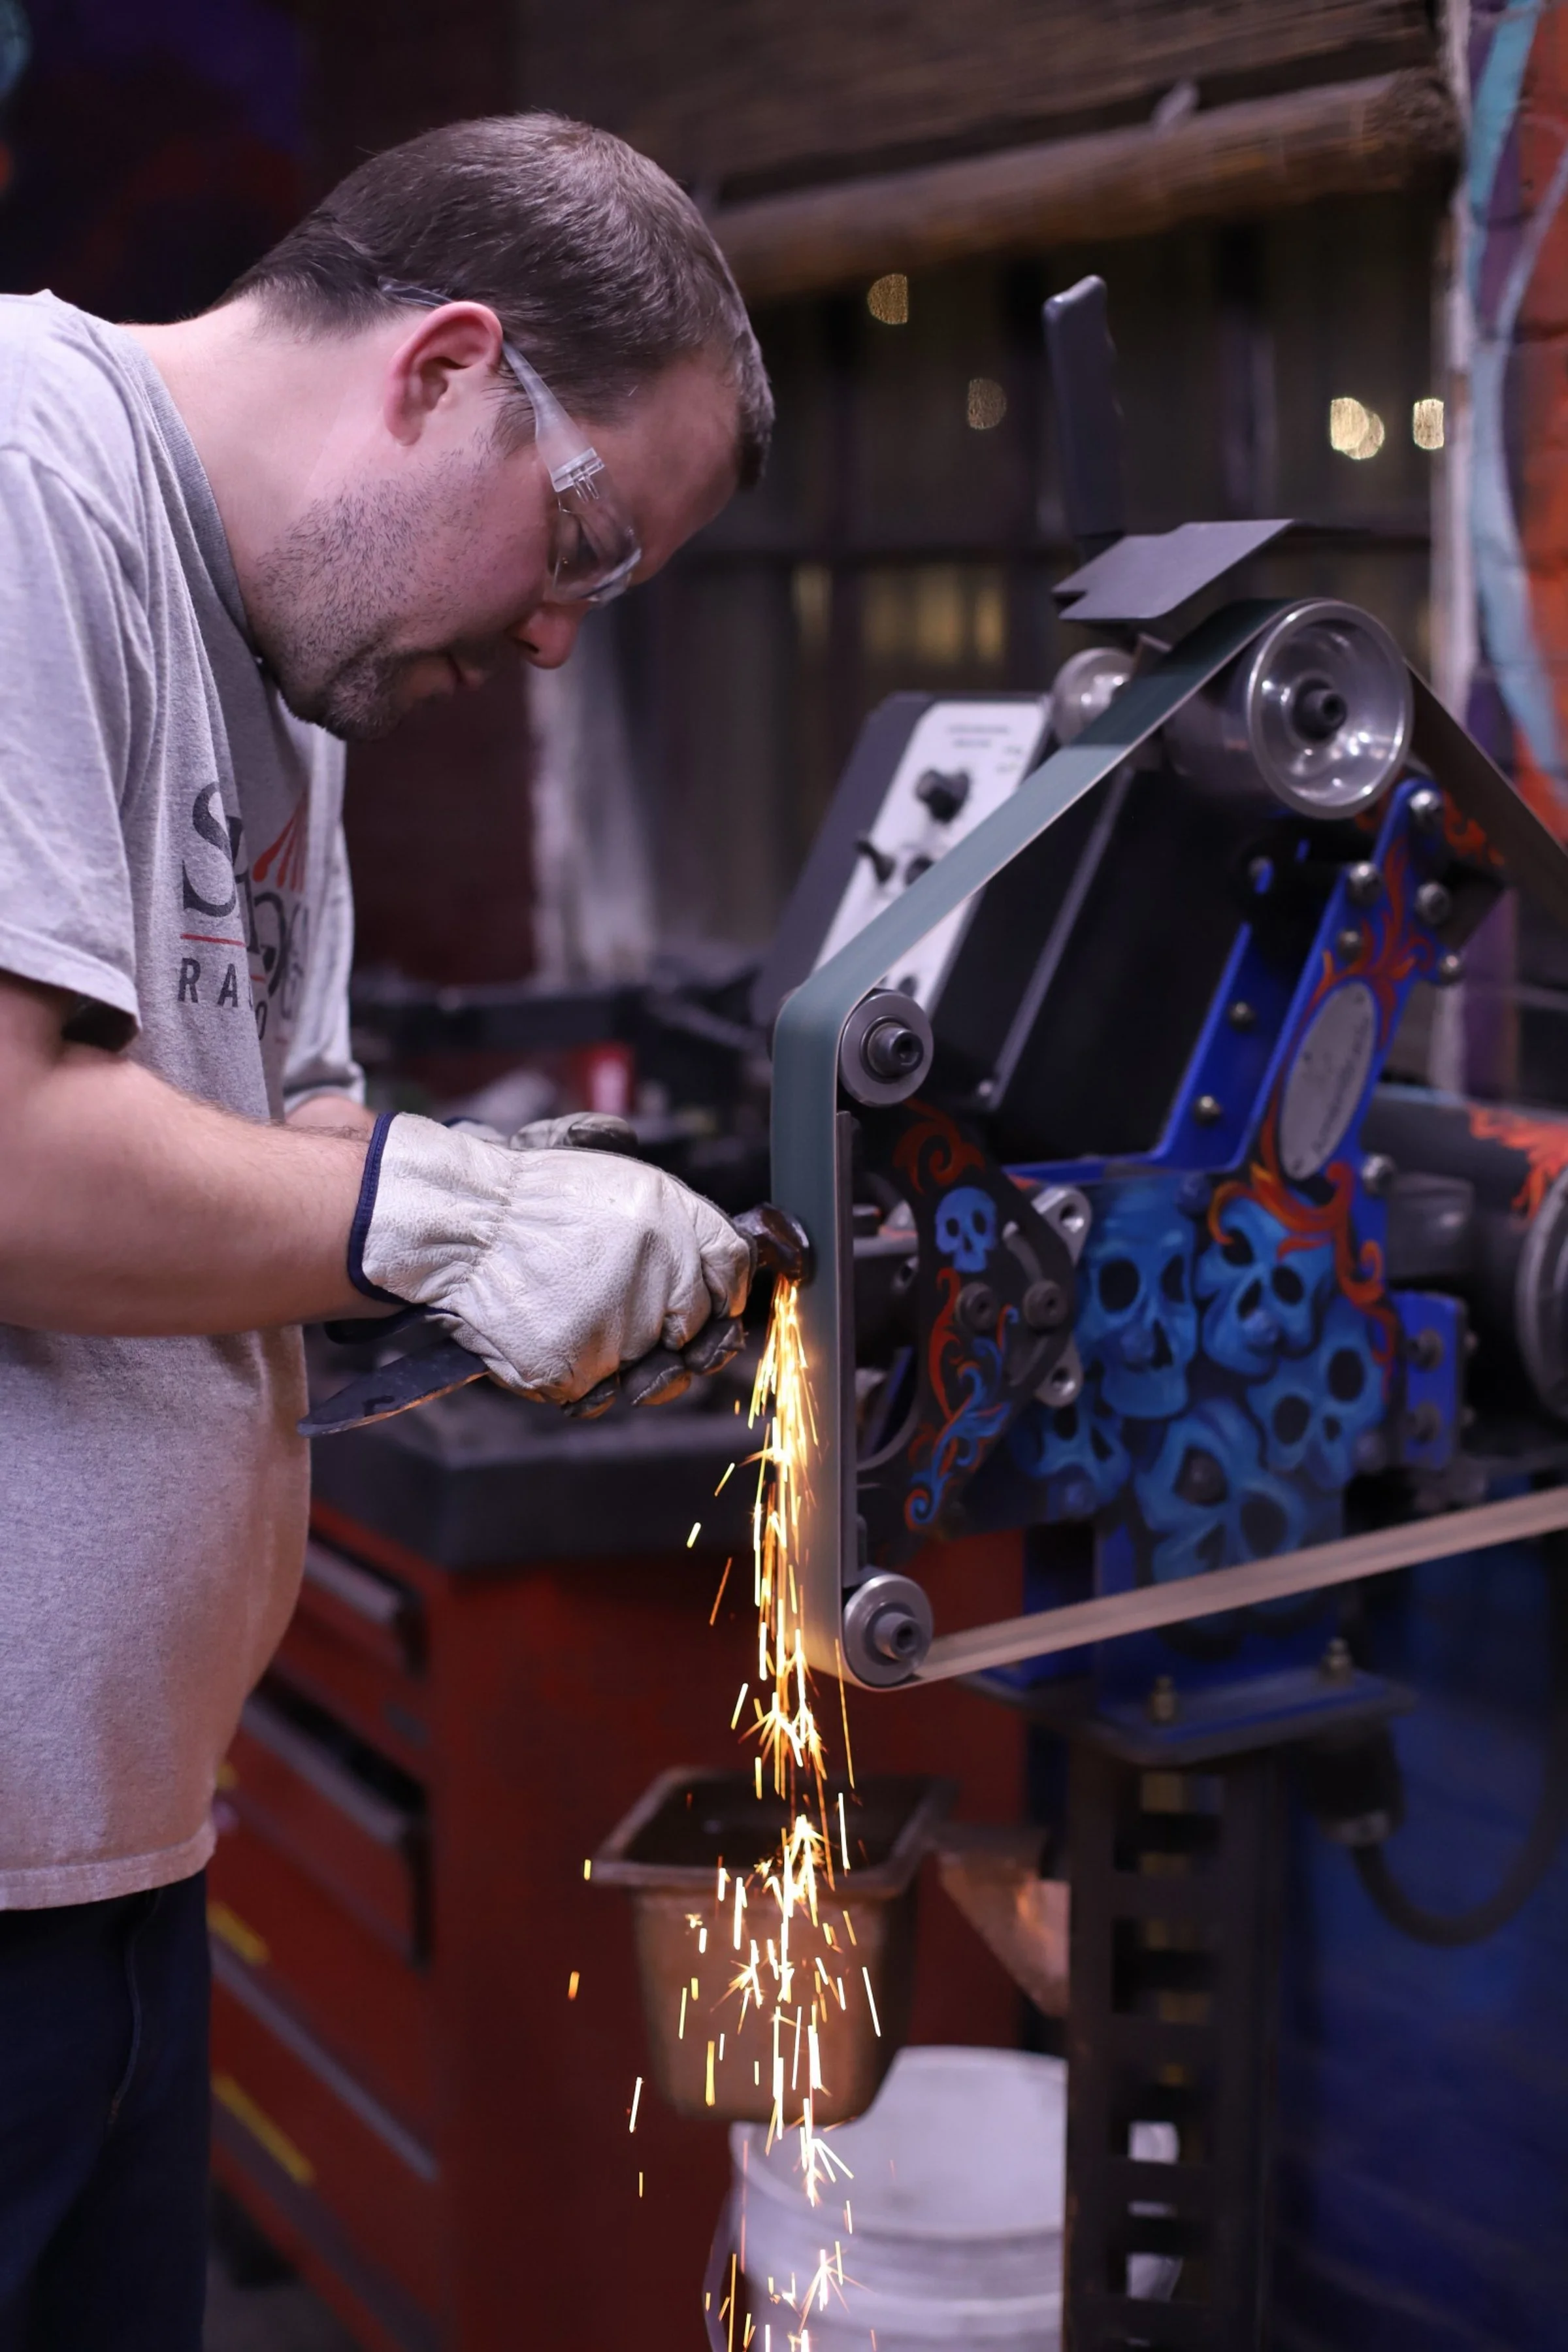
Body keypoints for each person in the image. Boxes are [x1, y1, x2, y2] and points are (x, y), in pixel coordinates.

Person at [0, 112, 772, 2346]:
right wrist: (450, 1215)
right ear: (444, 368)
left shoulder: (297, 667)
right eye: (583, 545)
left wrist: (526, 1242)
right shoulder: (33, 482)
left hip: (117, 1851)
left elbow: (287, 1124)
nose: (555, 638)